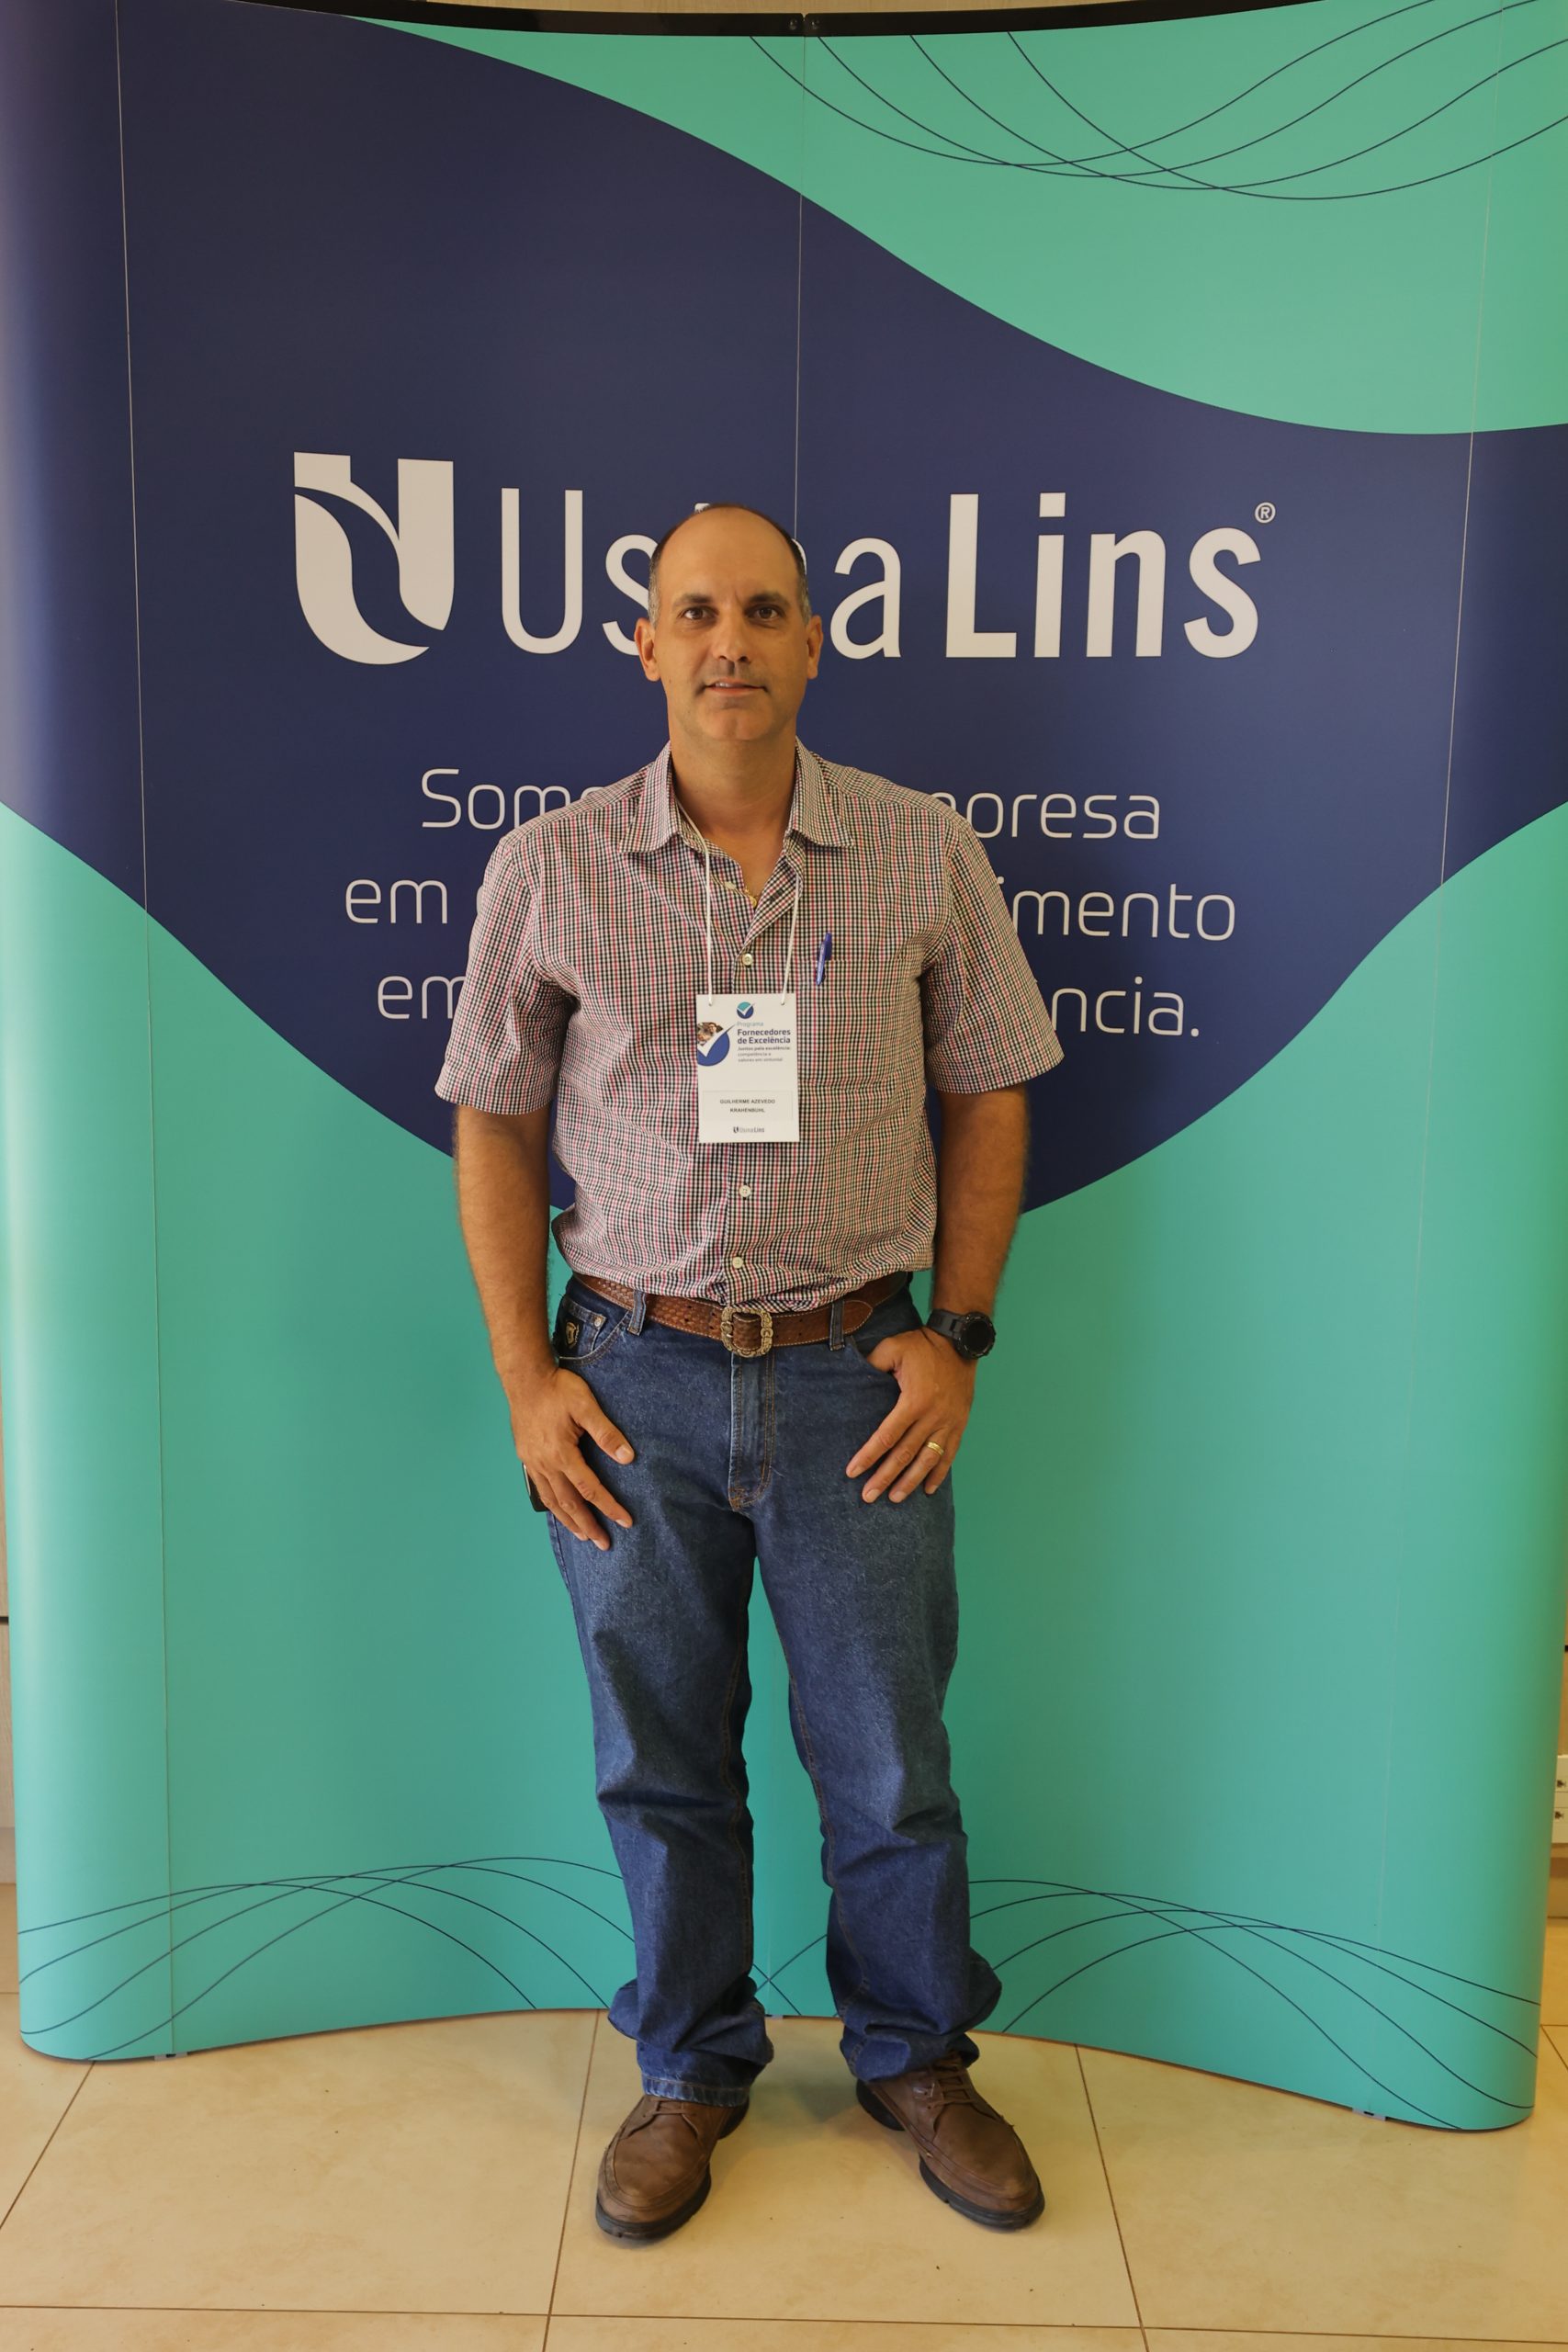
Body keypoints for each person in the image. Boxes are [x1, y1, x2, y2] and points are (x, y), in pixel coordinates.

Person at [434, 503, 1065, 2245]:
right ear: (646, 644)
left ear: (812, 643)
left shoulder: (923, 851)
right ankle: (690, 2069)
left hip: (862, 1378)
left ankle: (917, 2059)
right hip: (630, 1383)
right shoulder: (551, 868)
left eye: (765, 610)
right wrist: (525, 1378)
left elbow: (991, 1092)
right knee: (659, 1760)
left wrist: (960, 1333)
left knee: (890, 1760)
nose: (731, 642)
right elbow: (493, 1127)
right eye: (696, 611)